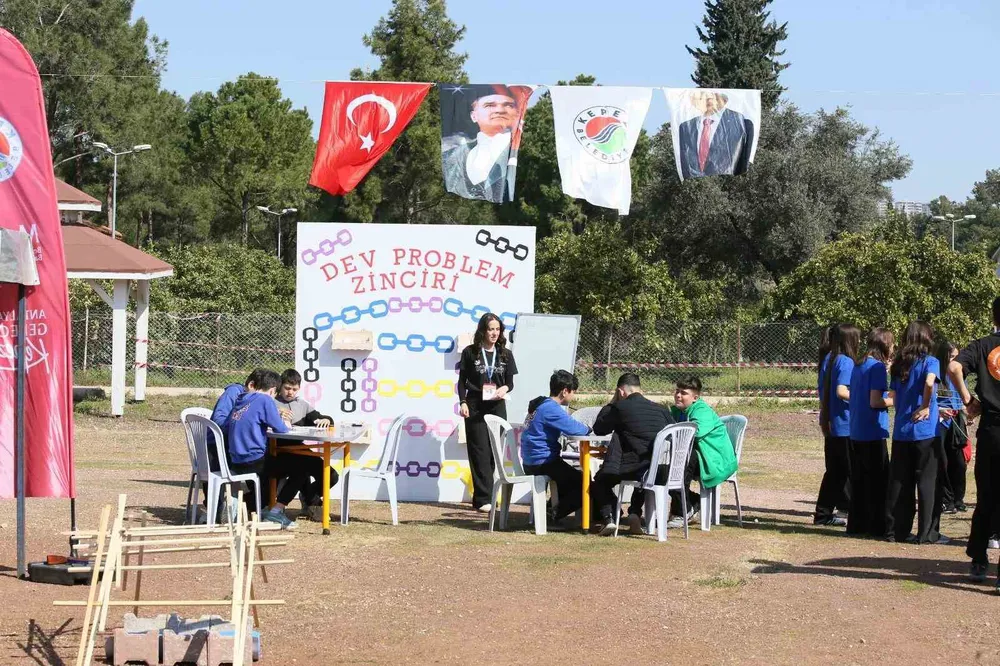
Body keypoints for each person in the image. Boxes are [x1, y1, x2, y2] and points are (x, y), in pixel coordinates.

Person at [949, 296, 1000, 584]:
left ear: (994, 318)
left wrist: (969, 399)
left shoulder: (982, 345)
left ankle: (979, 560)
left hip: (992, 429)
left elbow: (954, 368)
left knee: (986, 497)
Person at [590, 373, 675, 537]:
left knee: (600, 480)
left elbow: (599, 429)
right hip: (661, 469)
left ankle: (610, 517)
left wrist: (612, 403)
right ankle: (635, 512)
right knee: (644, 472)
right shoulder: (661, 409)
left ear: (621, 391)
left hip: (635, 467)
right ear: (640, 389)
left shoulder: (620, 408)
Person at [885, 321, 944, 544]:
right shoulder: (931, 361)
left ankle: (897, 531)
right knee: (927, 482)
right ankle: (926, 533)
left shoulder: (899, 364)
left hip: (902, 430)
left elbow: (893, 396)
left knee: (901, 482)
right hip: (925, 431)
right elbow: (929, 383)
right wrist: (926, 406)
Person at [457, 313, 518, 512]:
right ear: (483, 330)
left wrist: (505, 388)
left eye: (497, 329)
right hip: (475, 405)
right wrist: (463, 402)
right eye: (491, 329)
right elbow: (462, 382)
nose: (494, 333)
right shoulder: (470, 352)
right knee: (479, 452)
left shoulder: (505, 354)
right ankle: (483, 499)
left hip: (497, 406)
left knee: (493, 453)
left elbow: (510, 383)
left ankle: (488, 496)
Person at [226, 369, 298, 528]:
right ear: (272, 391)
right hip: (254, 461)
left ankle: (259, 505)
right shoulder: (264, 400)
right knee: (301, 468)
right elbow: (281, 428)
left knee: (277, 466)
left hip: (235, 461)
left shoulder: (241, 399)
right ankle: (276, 512)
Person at [519, 370, 591, 521]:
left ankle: (550, 509)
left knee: (570, 479)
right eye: (573, 392)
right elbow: (575, 429)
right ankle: (552, 514)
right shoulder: (551, 409)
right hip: (543, 461)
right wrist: (589, 429)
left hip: (531, 460)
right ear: (565, 391)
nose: (573, 396)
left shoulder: (541, 405)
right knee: (585, 483)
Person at [668, 376, 738, 528]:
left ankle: (682, 511)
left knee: (681, 461)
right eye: (677, 391)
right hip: (697, 455)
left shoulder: (702, 410)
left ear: (695, 398)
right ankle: (691, 502)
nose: (678, 395)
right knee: (664, 467)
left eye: (683, 393)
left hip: (714, 460)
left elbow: (695, 432)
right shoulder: (677, 411)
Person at [846, 328, 894, 538]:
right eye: (892, 344)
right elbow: (875, 401)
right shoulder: (877, 367)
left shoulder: (859, 364)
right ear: (885, 345)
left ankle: (857, 525)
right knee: (878, 481)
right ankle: (877, 526)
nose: (893, 348)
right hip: (872, 430)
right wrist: (895, 399)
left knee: (859, 480)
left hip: (857, 429)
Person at [273, 369, 336, 521]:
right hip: (278, 451)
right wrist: (277, 413)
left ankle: (308, 496)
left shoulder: (302, 405)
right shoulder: (270, 403)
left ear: (299, 389)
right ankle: (313, 503)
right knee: (301, 471)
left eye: (294, 389)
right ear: (280, 386)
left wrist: (326, 420)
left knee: (332, 475)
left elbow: (319, 417)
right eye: (287, 388)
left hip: (300, 449)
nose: (290, 392)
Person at [441, 85, 522, 202]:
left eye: (508, 105)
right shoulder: (452, 156)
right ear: (474, 116)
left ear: (516, 114)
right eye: (489, 105)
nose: (500, 110)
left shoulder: (521, 149)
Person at [814, 323, 860, 527]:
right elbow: (841, 391)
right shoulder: (846, 362)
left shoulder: (828, 359)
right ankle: (857, 517)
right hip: (845, 424)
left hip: (832, 423)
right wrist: (863, 398)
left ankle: (823, 514)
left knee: (835, 473)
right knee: (851, 472)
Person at [678, 90, 755, 179]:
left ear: (723, 100)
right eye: (702, 97)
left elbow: (744, 161)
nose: (708, 100)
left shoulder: (741, 123)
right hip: (693, 184)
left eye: (712, 96)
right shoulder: (685, 127)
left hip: (728, 182)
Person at [935, 342, 968, 515]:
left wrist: (967, 414)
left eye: (956, 356)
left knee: (960, 462)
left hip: (957, 420)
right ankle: (946, 501)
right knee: (943, 461)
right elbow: (928, 398)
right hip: (940, 422)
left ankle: (958, 499)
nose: (954, 360)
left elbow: (964, 397)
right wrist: (940, 410)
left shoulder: (958, 373)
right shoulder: (936, 374)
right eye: (951, 356)